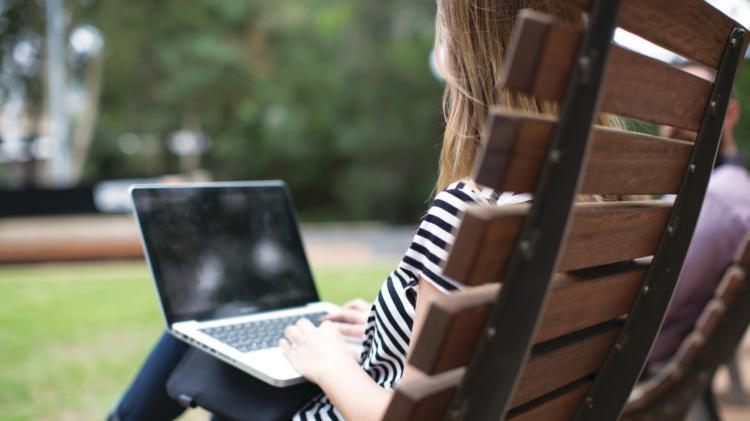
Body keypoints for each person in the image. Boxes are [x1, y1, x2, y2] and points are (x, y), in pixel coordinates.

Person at [109, 2, 588, 420]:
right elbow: (472, 351)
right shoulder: (575, 207)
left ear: (464, 54)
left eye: (440, 17)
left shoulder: (471, 212)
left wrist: (329, 363)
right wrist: (386, 326)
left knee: (192, 339)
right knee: (210, 345)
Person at [648, 64, 750, 365]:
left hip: (638, 368)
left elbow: (652, 306)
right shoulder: (736, 189)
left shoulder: (710, 201)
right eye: (667, 105)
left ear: (729, 114)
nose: (673, 121)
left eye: (688, 103)